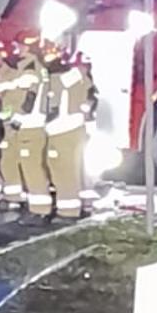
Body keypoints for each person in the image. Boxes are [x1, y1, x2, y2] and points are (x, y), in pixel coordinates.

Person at [0, 33, 44, 211]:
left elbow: (30, 94)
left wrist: (20, 115)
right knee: (8, 159)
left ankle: (35, 205)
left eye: (20, 45)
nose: (17, 48)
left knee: (28, 163)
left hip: (23, 123)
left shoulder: (32, 66)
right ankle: (13, 197)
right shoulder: (16, 65)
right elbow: (7, 97)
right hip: (11, 122)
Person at [43, 42, 96, 221]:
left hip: (60, 130)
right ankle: (82, 206)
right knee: (76, 169)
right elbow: (91, 96)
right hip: (77, 129)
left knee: (61, 171)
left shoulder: (55, 79)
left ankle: (67, 211)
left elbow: (51, 107)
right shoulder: (80, 75)